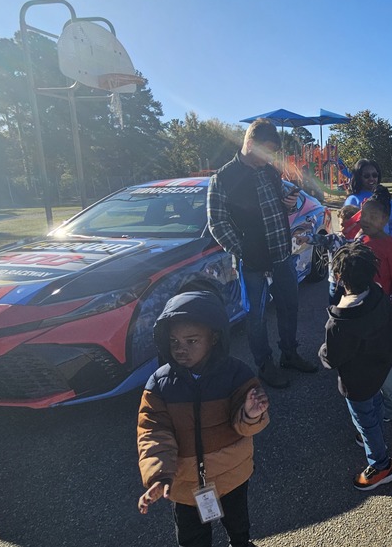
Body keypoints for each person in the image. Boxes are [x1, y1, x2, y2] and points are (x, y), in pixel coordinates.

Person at [137, 289, 270, 547]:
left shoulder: (236, 374)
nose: (180, 350)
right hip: (185, 485)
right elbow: (152, 432)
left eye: (191, 341)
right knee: (191, 537)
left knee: (238, 521)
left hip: (231, 473)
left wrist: (251, 414)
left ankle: (240, 542)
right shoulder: (159, 384)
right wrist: (159, 475)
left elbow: (244, 426)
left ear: (214, 338)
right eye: (174, 342)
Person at [207, 119, 317, 389]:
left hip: (281, 254)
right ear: (249, 143)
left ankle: (289, 354)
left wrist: (289, 205)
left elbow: (281, 209)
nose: (267, 158)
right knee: (255, 315)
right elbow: (216, 223)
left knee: (289, 306)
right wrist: (243, 251)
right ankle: (265, 365)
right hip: (252, 261)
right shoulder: (223, 177)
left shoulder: (268, 171)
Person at [319, 242, 392, 491]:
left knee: (364, 417)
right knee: (374, 405)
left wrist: (322, 351)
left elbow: (332, 359)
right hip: (380, 365)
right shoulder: (377, 293)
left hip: (357, 380)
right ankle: (373, 436)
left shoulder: (339, 321)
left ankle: (381, 464)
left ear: (340, 277)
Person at [357, 186, 392, 422]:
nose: (366, 221)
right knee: (367, 357)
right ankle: (375, 394)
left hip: (384, 315)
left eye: (373, 217)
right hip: (362, 312)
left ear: (385, 219)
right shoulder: (361, 242)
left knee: (385, 362)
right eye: (363, 216)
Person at [299, 205, 359, 304]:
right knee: (334, 306)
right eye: (341, 225)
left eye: (347, 225)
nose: (343, 229)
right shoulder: (335, 239)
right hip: (335, 283)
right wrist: (306, 238)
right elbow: (320, 239)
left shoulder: (360, 241)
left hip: (353, 283)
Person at [344, 159, 392, 237]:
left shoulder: (387, 200)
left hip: (383, 244)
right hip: (359, 246)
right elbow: (348, 227)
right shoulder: (353, 200)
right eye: (366, 176)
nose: (371, 178)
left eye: (375, 175)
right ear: (359, 177)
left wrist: (389, 243)